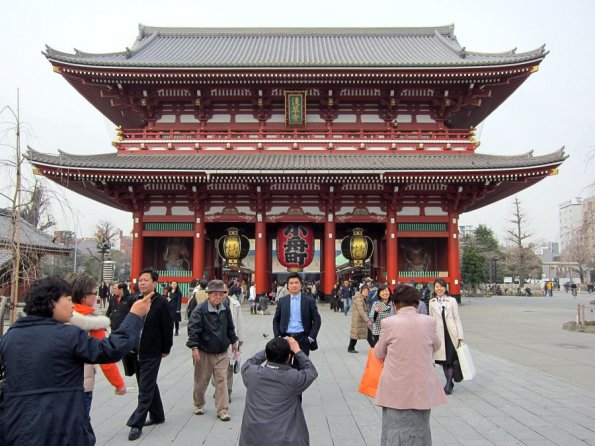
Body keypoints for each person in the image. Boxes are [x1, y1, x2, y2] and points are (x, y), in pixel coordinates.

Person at [0, 276, 150, 446]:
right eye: (68, 299)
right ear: (52, 302)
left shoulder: (11, 336)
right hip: (60, 426)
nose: (72, 305)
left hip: (16, 427)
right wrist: (134, 316)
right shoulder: (68, 335)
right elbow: (110, 350)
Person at [374, 284, 447, 445]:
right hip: (421, 385)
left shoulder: (389, 323)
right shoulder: (429, 322)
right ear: (417, 303)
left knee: (394, 428)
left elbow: (379, 353)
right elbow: (436, 346)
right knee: (421, 427)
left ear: (395, 304)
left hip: (395, 386)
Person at [67, 273, 127, 425]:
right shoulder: (92, 321)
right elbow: (104, 357)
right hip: (82, 383)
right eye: (94, 293)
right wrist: (119, 384)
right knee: (80, 426)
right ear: (84, 298)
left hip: (57, 383)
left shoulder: (58, 315)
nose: (96, 296)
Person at [239, 337, 318, 446]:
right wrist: (297, 350)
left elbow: (249, 362)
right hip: (285, 440)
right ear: (289, 357)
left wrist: (271, 349)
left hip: (253, 438)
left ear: (266, 355)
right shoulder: (293, 378)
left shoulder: (251, 373)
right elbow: (311, 371)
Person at [127, 269, 174, 441]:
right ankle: (157, 415)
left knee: (145, 388)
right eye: (140, 280)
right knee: (146, 383)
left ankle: (136, 423)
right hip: (136, 350)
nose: (142, 283)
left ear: (155, 282)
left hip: (152, 350)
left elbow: (167, 327)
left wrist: (166, 348)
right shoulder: (135, 300)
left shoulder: (161, 302)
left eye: (145, 280)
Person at [187, 279, 239, 421]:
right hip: (204, 351)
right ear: (208, 294)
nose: (218, 296)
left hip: (222, 350)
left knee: (222, 380)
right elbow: (193, 329)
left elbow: (230, 327)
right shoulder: (200, 310)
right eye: (214, 294)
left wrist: (234, 341)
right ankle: (198, 403)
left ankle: (222, 409)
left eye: (220, 294)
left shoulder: (225, 308)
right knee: (201, 380)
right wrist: (194, 347)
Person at [273, 272, 322, 359]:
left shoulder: (309, 301)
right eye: (291, 283)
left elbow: (317, 320)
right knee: (285, 367)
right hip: (286, 338)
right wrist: (278, 336)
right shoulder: (282, 301)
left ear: (301, 285)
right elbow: (276, 320)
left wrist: (310, 337)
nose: (294, 285)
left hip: (303, 338)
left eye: (296, 283)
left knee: (301, 366)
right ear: (287, 286)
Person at [428, 278, 464, 395]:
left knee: (451, 359)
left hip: (451, 333)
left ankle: (448, 384)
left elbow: (457, 318)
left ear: (445, 288)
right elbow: (431, 319)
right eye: (437, 286)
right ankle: (449, 382)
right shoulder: (432, 302)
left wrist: (460, 335)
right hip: (439, 334)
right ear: (434, 288)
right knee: (444, 360)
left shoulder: (452, 300)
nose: (439, 289)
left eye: (441, 286)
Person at [348, 285, 374, 353]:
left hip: (359, 319)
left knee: (356, 333)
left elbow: (365, 309)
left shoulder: (363, 298)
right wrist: (367, 320)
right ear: (361, 291)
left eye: (367, 291)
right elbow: (361, 311)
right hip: (358, 319)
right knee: (365, 334)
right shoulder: (359, 299)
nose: (366, 292)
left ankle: (350, 347)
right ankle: (374, 347)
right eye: (364, 291)